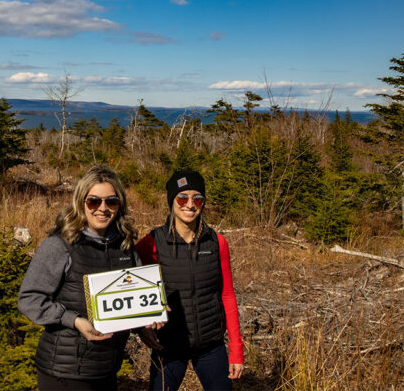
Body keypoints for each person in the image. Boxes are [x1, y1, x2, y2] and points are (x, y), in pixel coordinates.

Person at [18, 165, 139, 390]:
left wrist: (151, 318)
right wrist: (73, 320)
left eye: (111, 202)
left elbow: (133, 302)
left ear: (119, 205)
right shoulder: (59, 245)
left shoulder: (125, 246)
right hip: (65, 372)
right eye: (94, 201)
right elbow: (29, 299)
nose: (102, 209)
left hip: (106, 369)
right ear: (80, 202)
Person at [136, 169, 244, 391]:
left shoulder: (217, 242)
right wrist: (142, 328)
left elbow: (227, 295)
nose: (190, 204)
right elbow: (134, 292)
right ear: (172, 201)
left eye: (198, 198)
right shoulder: (151, 243)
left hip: (211, 346)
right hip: (168, 346)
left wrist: (236, 349)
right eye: (182, 197)